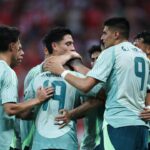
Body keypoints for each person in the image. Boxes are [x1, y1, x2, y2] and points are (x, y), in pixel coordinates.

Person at [44, 17, 150, 150]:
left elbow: (86, 85)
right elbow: (147, 90)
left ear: (116, 34)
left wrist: (61, 71)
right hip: (142, 128)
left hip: (118, 124)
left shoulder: (111, 52)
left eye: (105, 33)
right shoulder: (142, 56)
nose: (102, 38)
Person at [22, 27, 100, 150]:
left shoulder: (72, 73)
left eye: (73, 44)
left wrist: (72, 113)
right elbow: (25, 113)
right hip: (36, 140)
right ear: (54, 46)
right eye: (68, 44)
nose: (73, 48)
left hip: (45, 143)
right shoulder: (35, 73)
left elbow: (96, 97)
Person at [0, 25, 53, 150]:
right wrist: (38, 100)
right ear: (11, 46)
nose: (22, 53)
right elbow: (9, 109)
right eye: (19, 48)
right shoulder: (8, 72)